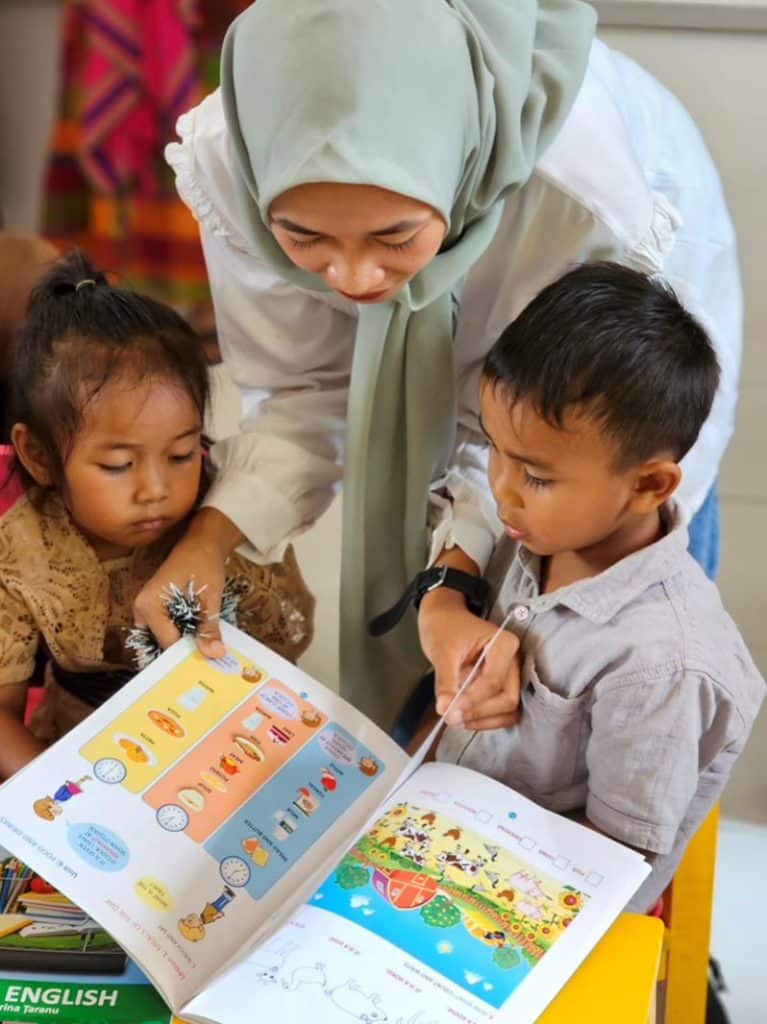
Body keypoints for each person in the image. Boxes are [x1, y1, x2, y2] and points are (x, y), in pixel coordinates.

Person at [147, 0, 741, 734]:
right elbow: (302, 391)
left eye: (394, 236)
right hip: (530, 434)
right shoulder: (231, 157)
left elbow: (538, 445)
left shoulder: (580, 197)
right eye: (303, 238)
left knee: (590, 688)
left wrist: (446, 586)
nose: (356, 278)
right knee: (459, 700)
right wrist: (209, 540)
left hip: (596, 407)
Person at [433, 263, 764, 911]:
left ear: (647, 486)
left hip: (531, 908)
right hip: (452, 829)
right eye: (495, 449)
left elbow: (605, 864)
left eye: (533, 474)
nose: (499, 488)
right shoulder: (538, 532)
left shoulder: (663, 664)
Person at [0, 251, 314, 781]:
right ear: (37, 456)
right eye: (119, 465)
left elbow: (280, 664)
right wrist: (57, 797)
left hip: (223, 754)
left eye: (182, 454)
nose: (156, 489)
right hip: (75, 756)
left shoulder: (221, 520)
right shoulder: (24, 547)